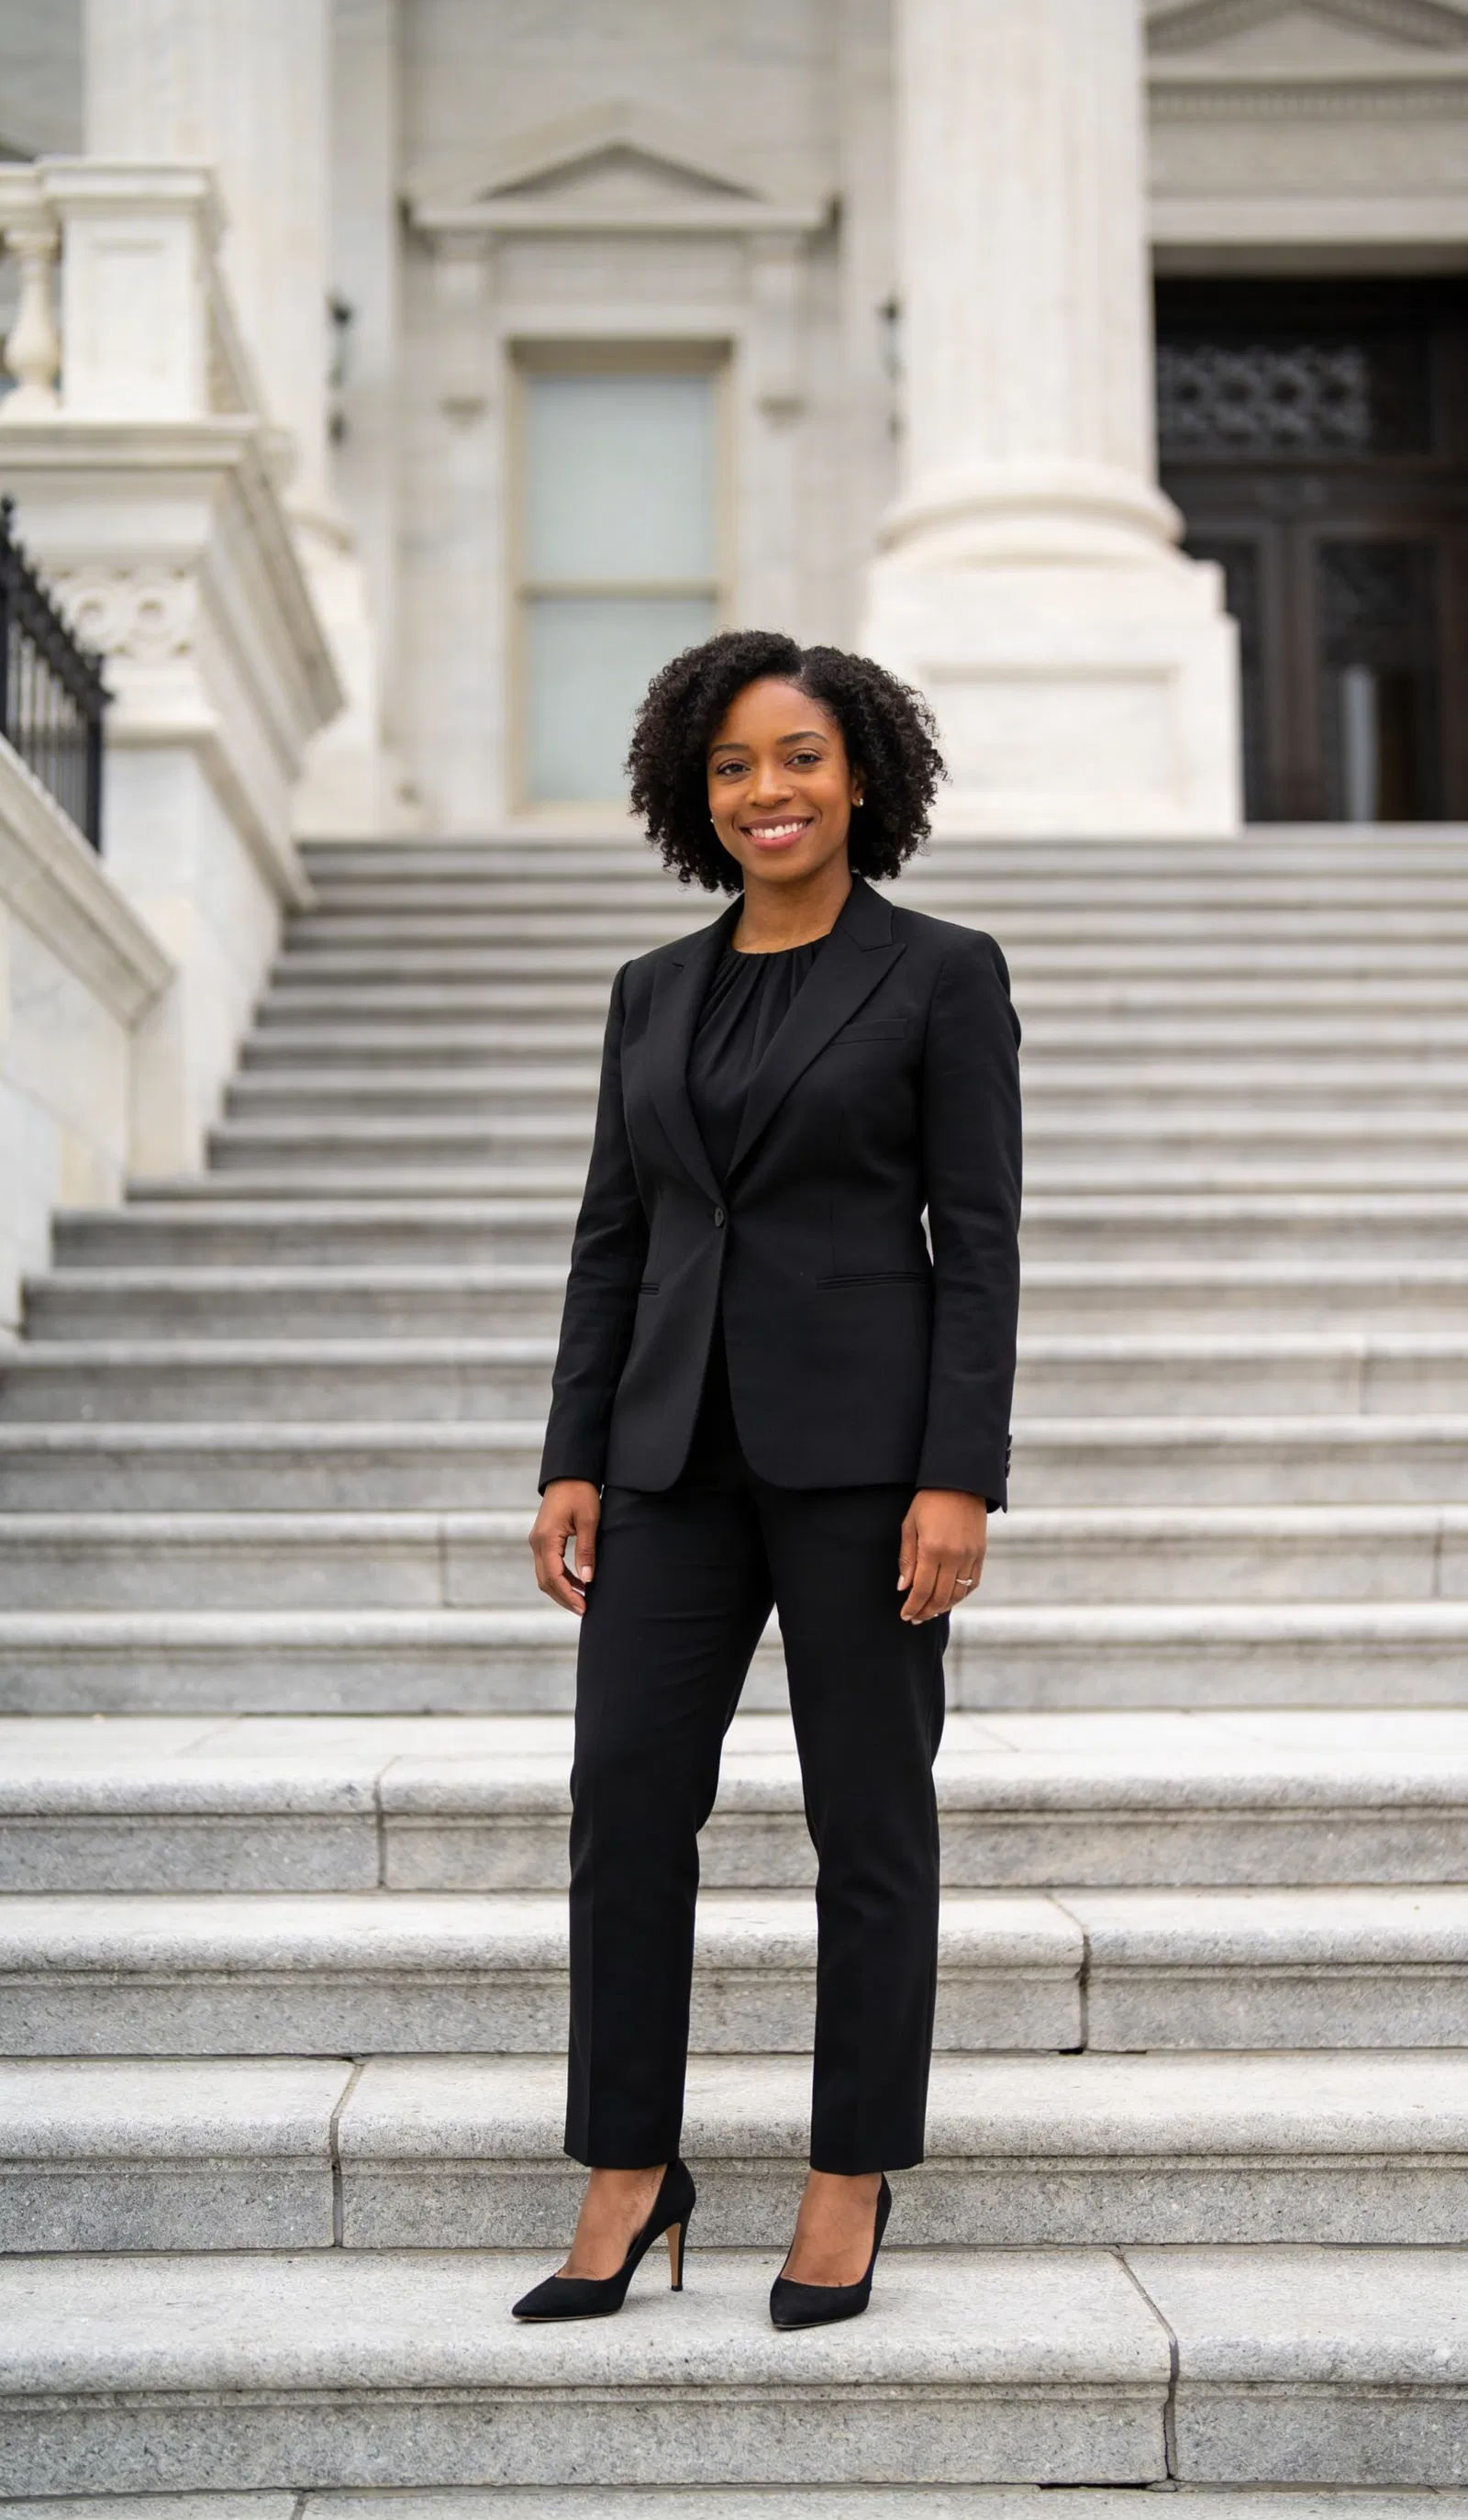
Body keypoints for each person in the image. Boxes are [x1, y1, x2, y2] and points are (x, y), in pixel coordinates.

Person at [517, 629, 1021, 2330]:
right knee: (625, 1806)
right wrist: (573, 1452)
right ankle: (631, 2166)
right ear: (693, 790)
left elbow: (983, 1245)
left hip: (865, 1470)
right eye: (732, 765)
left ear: (861, 774)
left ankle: (848, 2169)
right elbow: (615, 1236)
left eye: (797, 757)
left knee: (866, 1821)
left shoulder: (940, 974)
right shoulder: (651, 990)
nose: (766, 792)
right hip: (669, 1462)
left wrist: (959, 1477)